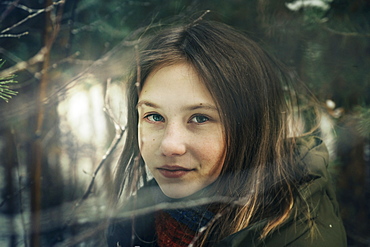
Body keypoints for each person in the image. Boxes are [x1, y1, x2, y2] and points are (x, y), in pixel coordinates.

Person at [106, 19, 347, 247]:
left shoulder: (298, 237)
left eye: (200, 118)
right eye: (154, 116)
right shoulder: (136, 223)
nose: (170, 146)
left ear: (250, 127)